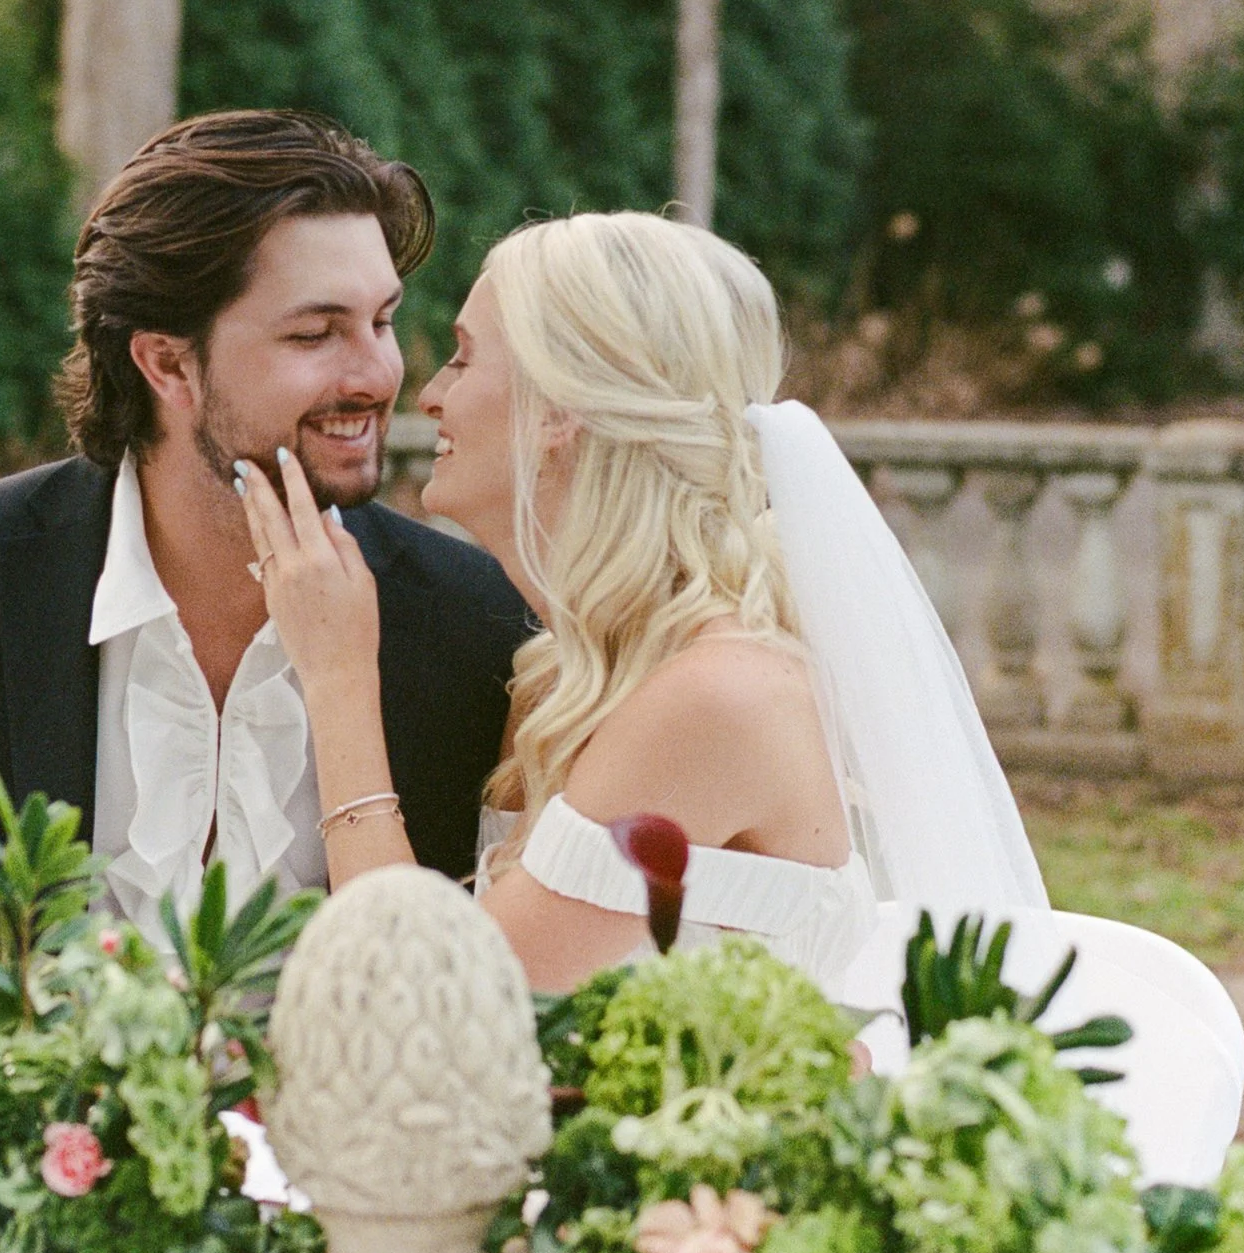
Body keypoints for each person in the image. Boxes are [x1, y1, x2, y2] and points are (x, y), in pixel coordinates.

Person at [0, 110, 536, 956]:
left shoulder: (478, 623)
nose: (378, 372)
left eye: (381, 320)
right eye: (314, 332)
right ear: (166, 363)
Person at [240, 211, 1048, 993]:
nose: (429, 396)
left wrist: (340, 680)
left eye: (462, 357)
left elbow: (430, 1008)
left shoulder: (718, 697)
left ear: (559, 409)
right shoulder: (559, 680)